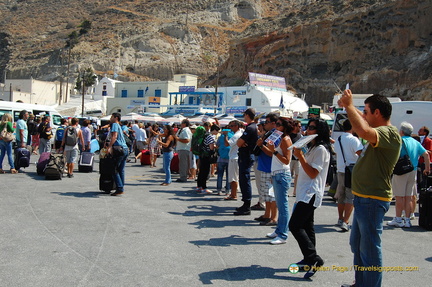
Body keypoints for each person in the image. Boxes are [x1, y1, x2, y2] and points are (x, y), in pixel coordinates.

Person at [339, 91, 401, 287]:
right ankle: (361, 283)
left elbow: (364, 131)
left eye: (366, 111)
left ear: (377, 112)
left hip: (372, 200)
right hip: (363, 198)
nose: (363, 115)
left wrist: (349, 106)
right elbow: (364, 125)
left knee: (369, 249)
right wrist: (351, 107)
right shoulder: (379, 131)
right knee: (357, 245)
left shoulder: (388, 133)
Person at [289, 118, 331, 278]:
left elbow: (314, 172)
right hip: (305, 192)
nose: (308, 130)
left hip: (311, 193)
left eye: (312, 128)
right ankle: (309, 259)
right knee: (307, 227)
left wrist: (300, 156)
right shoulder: (313, 147)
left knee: (295, 225)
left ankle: (314, 259)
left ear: (320, 131)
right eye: (308, 127)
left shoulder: (321, 149)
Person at [387, 122, 430, 228]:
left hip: (401, 171)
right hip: (413, 170)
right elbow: (426, 154)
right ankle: (407, 219)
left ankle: (398, 219)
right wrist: (427, 168)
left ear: (401, 131)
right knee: (409, 196)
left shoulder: (400, 141)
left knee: (399, 196)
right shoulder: (415, 142)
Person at [264, 117, 294, 244]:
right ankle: (279, 230)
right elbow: (273, 155)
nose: (276, 126)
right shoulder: (279, 138)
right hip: (277, 173)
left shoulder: (286, 140)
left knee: (283, 206)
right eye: (276, 124)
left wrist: (274, 151)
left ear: (285, 127)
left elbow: (287, 160)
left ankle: (282, 234)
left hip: (282, 174)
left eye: (279, 124)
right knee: (279, 205)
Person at [333, 119, 363, 232]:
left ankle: (340, 218)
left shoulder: (338, 139)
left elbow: (336, 152)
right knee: (350, 196)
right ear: (352, 127)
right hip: (352, 170)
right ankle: (346, 221)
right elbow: (361, 154)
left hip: (340, 169)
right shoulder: (354, 140)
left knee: (341, 195)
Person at [254, 114, 279, 227]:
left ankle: (274, 217)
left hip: (270, 168)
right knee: (266, 195)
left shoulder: (276, 135)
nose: (265, 124)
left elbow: (272, 152)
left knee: (272, 195)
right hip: (265, 166)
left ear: (274, 123)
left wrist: (261, 146)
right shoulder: (269, 134)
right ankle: (267, 214)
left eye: (267, 122)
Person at [234, 108, 258, 215]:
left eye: (244, 115)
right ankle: (245, 203)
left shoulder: (250, 128)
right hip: (245, 155)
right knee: (243, 179)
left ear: (247, 115)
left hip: (246, 155)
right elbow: (239, 142)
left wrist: (241, 143)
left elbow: (239, 143)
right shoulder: (251, 127)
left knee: (245, 179)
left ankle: (247, 205)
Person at [107, 113, 129, 196]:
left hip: (119, 148)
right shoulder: (119, 125)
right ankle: (121, 186)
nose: (110, 118)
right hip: (125, 148)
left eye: (112, 117)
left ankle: (119, 188)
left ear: (116, 118)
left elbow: (114, 136)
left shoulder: (115, 125)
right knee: (121, 169)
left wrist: (109, 147)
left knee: (114, 169)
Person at [224, 120, 243, 200]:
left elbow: (227, 144)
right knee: (235, 176)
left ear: (236, 126)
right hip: (237, 157)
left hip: (234, 157)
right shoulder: (241, 132)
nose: (230, 128)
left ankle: (233, 194)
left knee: (233, 177)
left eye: (231, 126)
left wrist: (225, 136)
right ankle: (233, 193)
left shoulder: (236, 135)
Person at [196, 123, 216, 194]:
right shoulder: (210, 136)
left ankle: (199, 187)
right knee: (205, 171)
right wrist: (215, 148)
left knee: (201, 171)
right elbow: (211, 147)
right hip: (207, 155)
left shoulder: (203, 135)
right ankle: (203, 188)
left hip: (202, 154)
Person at [216, 126, 231, 195]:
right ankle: (227, 190)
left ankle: (219, 190)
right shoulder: (232, 136)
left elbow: (217, 145)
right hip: (229, 158)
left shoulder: (220, 137)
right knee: (228, 176)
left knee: (220, 175)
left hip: (221, 158)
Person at [290, 120, 303, 196]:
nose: (300, 128)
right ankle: (286, 191)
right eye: (299, 126)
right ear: (294, 126)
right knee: (288, 175)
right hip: (290, 158)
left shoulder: (300, 135)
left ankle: (295, 191)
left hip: (298, 159)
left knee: (298, 175)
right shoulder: (289, 135)